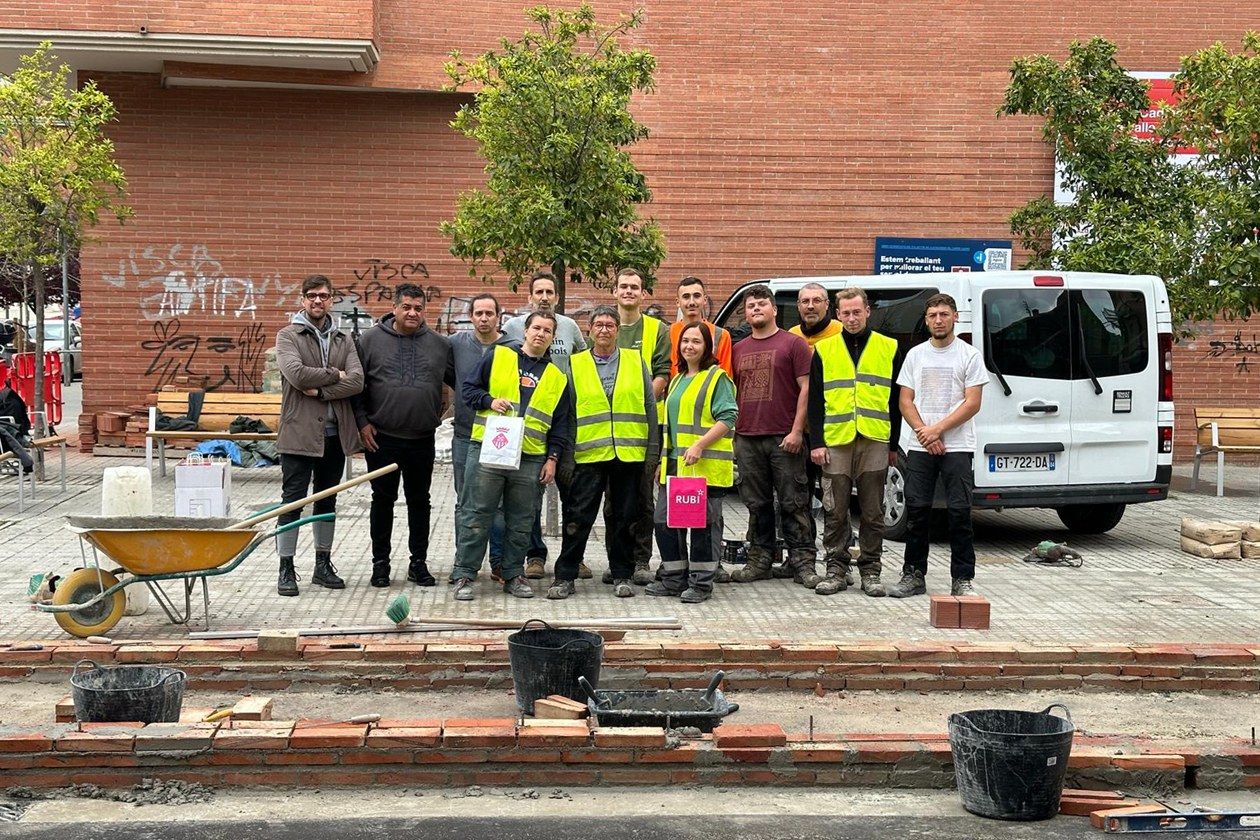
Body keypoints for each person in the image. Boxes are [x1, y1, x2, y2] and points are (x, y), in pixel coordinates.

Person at [453, 311, 572, 601]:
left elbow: (560, 424)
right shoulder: (499, 356)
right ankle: (464, 574)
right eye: (536, 328)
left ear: (552, 338)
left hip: (530, 456)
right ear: (526, 331)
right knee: (477, 513)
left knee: (522, 519)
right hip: (488, 450)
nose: (541, 334)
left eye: (547, 330)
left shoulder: (558, 377)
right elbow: (468, 390)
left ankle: (512, 575)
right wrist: (489, 401)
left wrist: (552, 459)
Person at [549, 306, 656, 599]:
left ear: (618, 330)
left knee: (623, 518)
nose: (604, 329)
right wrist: (567, 458)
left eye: (610, 324)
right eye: (599, 324)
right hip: (588, 455)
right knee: (577, 517)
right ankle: (565, 576)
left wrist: (651, 456)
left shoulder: (636, 362)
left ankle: (622, 574)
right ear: (590, 330)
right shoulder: (576, 364)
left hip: (628, 455)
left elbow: (649, 410)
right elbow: (567, 414)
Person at [354, 283, 455, 589]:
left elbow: (459, 381)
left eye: (419, 308)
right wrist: (362, 422)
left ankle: (418, 563)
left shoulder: (439, 345)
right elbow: (357, 387)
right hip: (381, 437)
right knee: (382, 500)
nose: (413, 313)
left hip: (422, 438)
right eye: (407, 307)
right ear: (395, 308)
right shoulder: (369, 341)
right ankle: (380, 564)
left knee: (420, 502)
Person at [888, 293, 988, 598]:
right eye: (932, 315)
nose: (938, 320)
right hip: (919, 447)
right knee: (917, 513)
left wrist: (937, 430)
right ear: (927, 319)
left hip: (957, 446)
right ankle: (913, 575)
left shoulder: (969, 355)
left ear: (955, 317)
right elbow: (905, 400)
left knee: (959, 513)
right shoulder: (916, 355)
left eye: (944, 314)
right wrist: (923, 433)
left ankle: (962, 579)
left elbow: (972, 403)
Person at [809, 287, 904, 596]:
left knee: (873, 511)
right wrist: (817, 442)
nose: (851, 317)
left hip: (875, 439)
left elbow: (895, 401)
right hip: (836, 441)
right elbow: (814, 401)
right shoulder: (824, 349)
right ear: (837, 314)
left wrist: (893, 445)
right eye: (845, 312)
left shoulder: (889, 348)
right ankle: (836, 569)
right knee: (835, 509)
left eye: (856, 311)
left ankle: (871, 571)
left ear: (867, 311)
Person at [274, 274, 364, 596]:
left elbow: (357, 381)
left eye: (323, 296)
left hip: (333, 435)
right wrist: (335, 374)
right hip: (298, 434)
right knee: (293, 501)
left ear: (332, 300)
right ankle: (286, 568)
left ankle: (322, 565)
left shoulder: (343, 339)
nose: (317, 301)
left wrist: (324, 391)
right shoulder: (288, 336)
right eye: (311, 295)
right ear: (302, 299)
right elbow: (296, 375)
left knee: (327, 501)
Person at [726, 284, 818, 586]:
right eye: (750, 305)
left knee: (795, 502)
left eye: (761, 304)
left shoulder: (793, 344)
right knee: (756, 504)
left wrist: (796, 431)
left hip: (784, 437)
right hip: (747, 437)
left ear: (774, 309)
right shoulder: (737, 349)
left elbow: (807, 388)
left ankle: (802, 562)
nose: (756, 309)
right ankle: (760, 560)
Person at [502, 271, 587, 580]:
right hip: (528, 424)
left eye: (550, 292)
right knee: (530, 495)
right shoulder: (512, 327)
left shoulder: (570, 327)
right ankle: (534, 556)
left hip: (564, 421)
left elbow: (581, 364)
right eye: (539, 291)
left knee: (572, 492)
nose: (545, 296)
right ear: (529, 296)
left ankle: (573, 557)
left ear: (557, 297)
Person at [648, 321, 737, 604]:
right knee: (665, 522)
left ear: (707, 347)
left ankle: (701, 584)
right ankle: (675, 578)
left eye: (697, 341)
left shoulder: (716, 377)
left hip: (706, 467)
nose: (690, 346)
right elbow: (671, 427)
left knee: (703, 527)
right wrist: (664, 461)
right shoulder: (677, 379)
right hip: (676, 466)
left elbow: (729, 417)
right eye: (685, 341)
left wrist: (699, 444)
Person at [611, 267, 670, 586]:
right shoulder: (606, 325)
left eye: (635, 287)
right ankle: (616, 559)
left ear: (643, 293)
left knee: (644, 498)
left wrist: (641, 402)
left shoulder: (656, 329)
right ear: (615, 291)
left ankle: (641, 560)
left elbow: (663, 372)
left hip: (646, 427)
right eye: (624, 286)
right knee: (613, 501)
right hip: (609, 429)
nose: (629, 291)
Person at [449, 292, 512, 583]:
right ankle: (462, 564)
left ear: (499, 316)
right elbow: (454, 379)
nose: (484, 318)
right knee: (465, 502)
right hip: (465, 435)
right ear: (471, 316)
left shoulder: (512, 347)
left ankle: (499, 563)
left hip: (503, 437)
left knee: (498, 505)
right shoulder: (457, 345)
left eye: (489, 313)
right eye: (478, 313)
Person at [668, 276, 733, 378]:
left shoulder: (720, 335)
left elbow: (725, 376)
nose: (692, 302)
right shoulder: (667, 333)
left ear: (705, 299)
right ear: (678, 302)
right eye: (686, 297)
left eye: (697, 296)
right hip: (675, 392)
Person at [789, 282, 842, 347]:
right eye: (805, 301)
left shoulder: (840, 331)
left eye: (817, 301)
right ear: (799, 306)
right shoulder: (792, 335)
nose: (810, 306)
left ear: (827, 304)